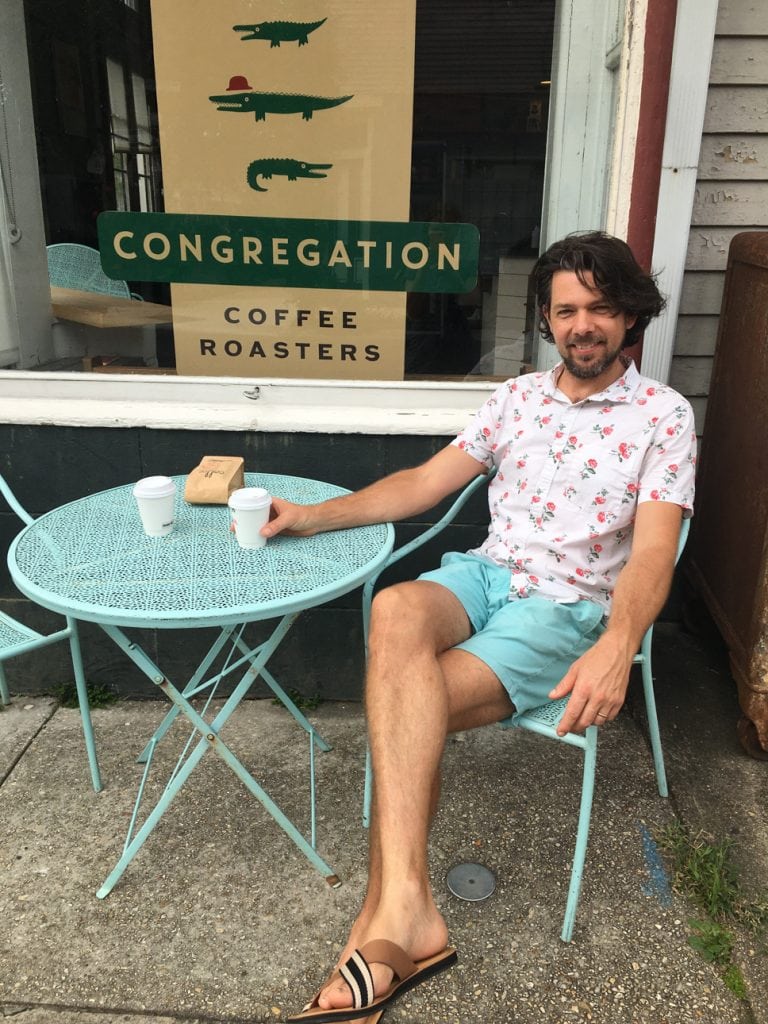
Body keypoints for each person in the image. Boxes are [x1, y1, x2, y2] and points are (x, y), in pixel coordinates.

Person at [267, 231, 697, 1024]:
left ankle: (388, 919)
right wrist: (309, 517)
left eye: (600, 308)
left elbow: (654, 556)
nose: (583, 325)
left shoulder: (663, 417)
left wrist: (618, 644)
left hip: (563, 606)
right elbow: (427, 481)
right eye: (566, 310)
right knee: (396, 606)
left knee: (403, 701)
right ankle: (409, 909)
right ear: (546, 319)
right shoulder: (517, 398)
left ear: (631, 315)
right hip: (485, 574)